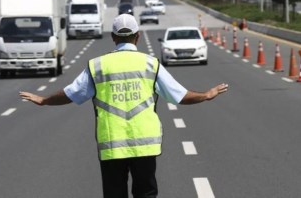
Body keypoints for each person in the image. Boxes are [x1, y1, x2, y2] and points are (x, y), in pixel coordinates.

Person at [19, 14, 228, 198]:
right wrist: (206, 95)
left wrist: (44, 100)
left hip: (112, 146)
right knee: (146, 193)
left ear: (113, 38)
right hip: (145, 145)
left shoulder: (98, 66)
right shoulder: (150, 64)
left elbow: (72, 94)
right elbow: (180, 96)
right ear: (137, 37)